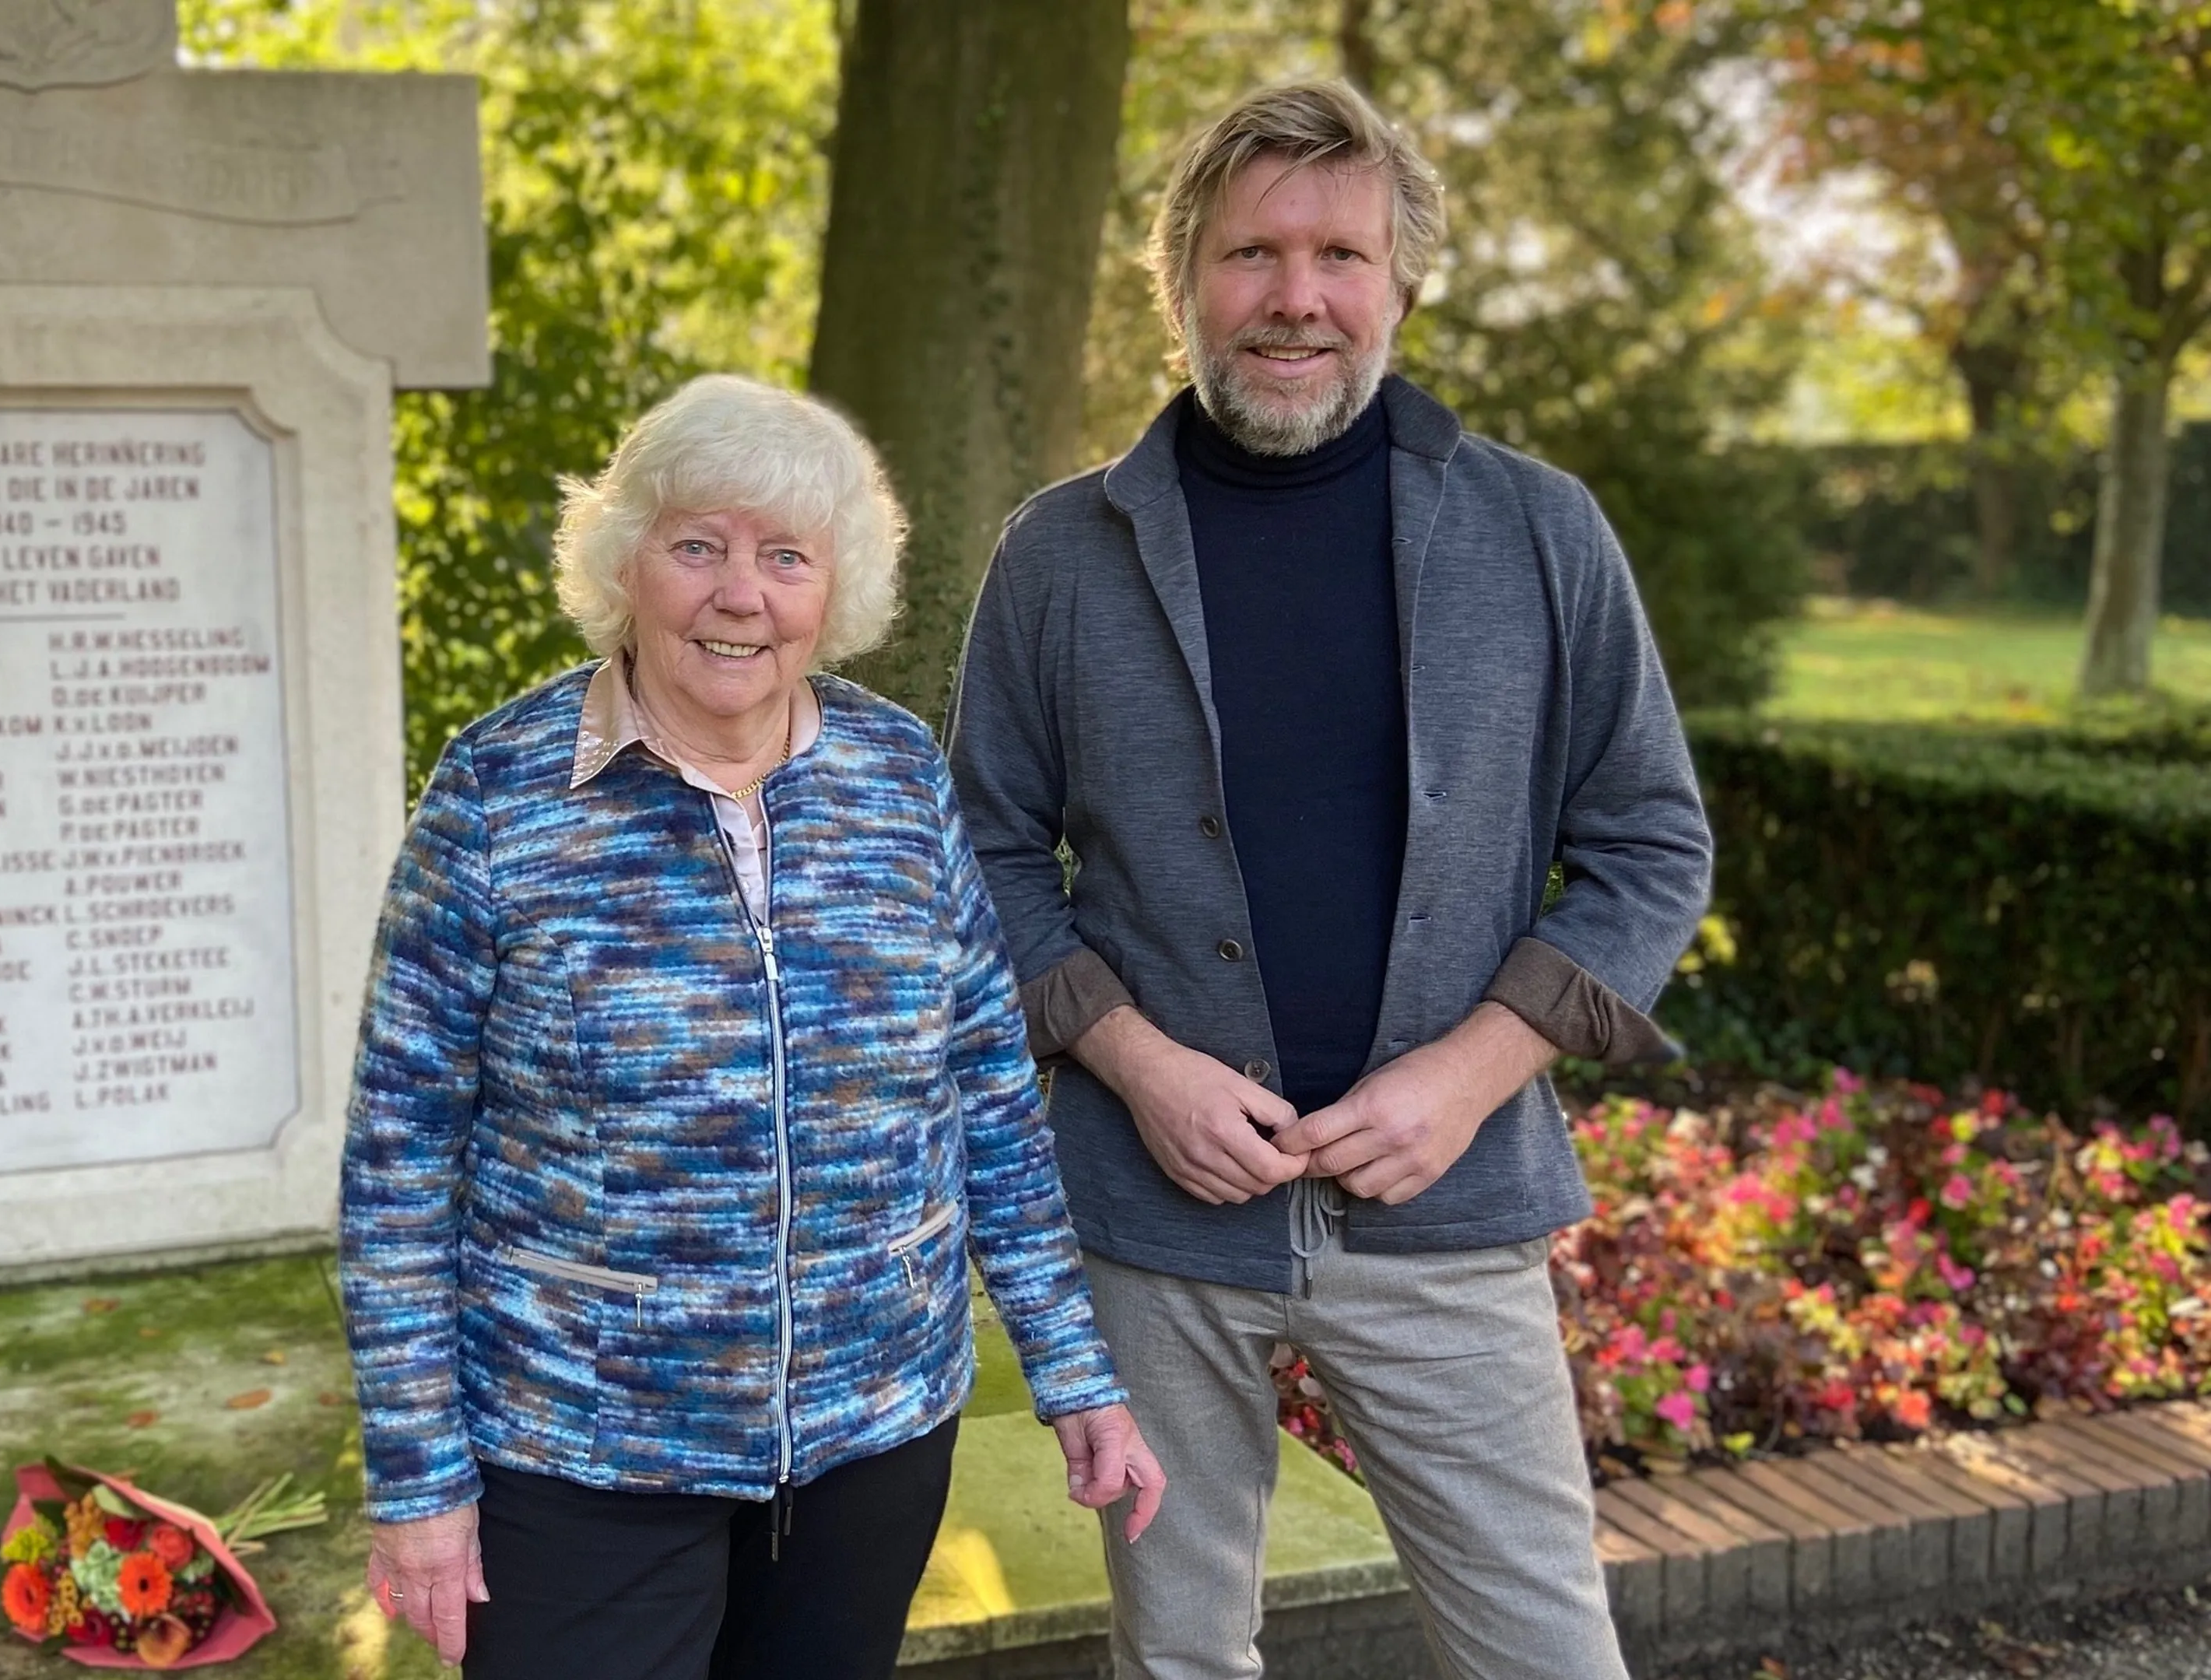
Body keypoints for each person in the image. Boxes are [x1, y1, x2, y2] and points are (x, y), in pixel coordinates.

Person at [947, 81, 1714, 1680]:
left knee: (1547, 1657)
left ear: (1400, 283)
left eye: (1340, 255)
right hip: (1153, 1221)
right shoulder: (1059, 554)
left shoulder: (1539, 531)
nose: (1295, 296)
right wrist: (1135, 1060)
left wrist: (1469, 1073)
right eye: (1251, 253)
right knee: (1178, 1656)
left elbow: (1650, 844)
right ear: (1180, 282)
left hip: (1453, 1209)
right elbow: (980, 855)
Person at [342, 373, 1163, 1680]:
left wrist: (1072, 1367)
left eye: (787, 556)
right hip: (586, 1449)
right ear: (625, 563)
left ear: (836, 590)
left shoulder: (898, 775)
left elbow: (988, 1097)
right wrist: (417, 1474)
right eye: (697, 547)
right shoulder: (499, 794)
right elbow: (397, 1160)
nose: (742, 595)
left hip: (870, 1434)